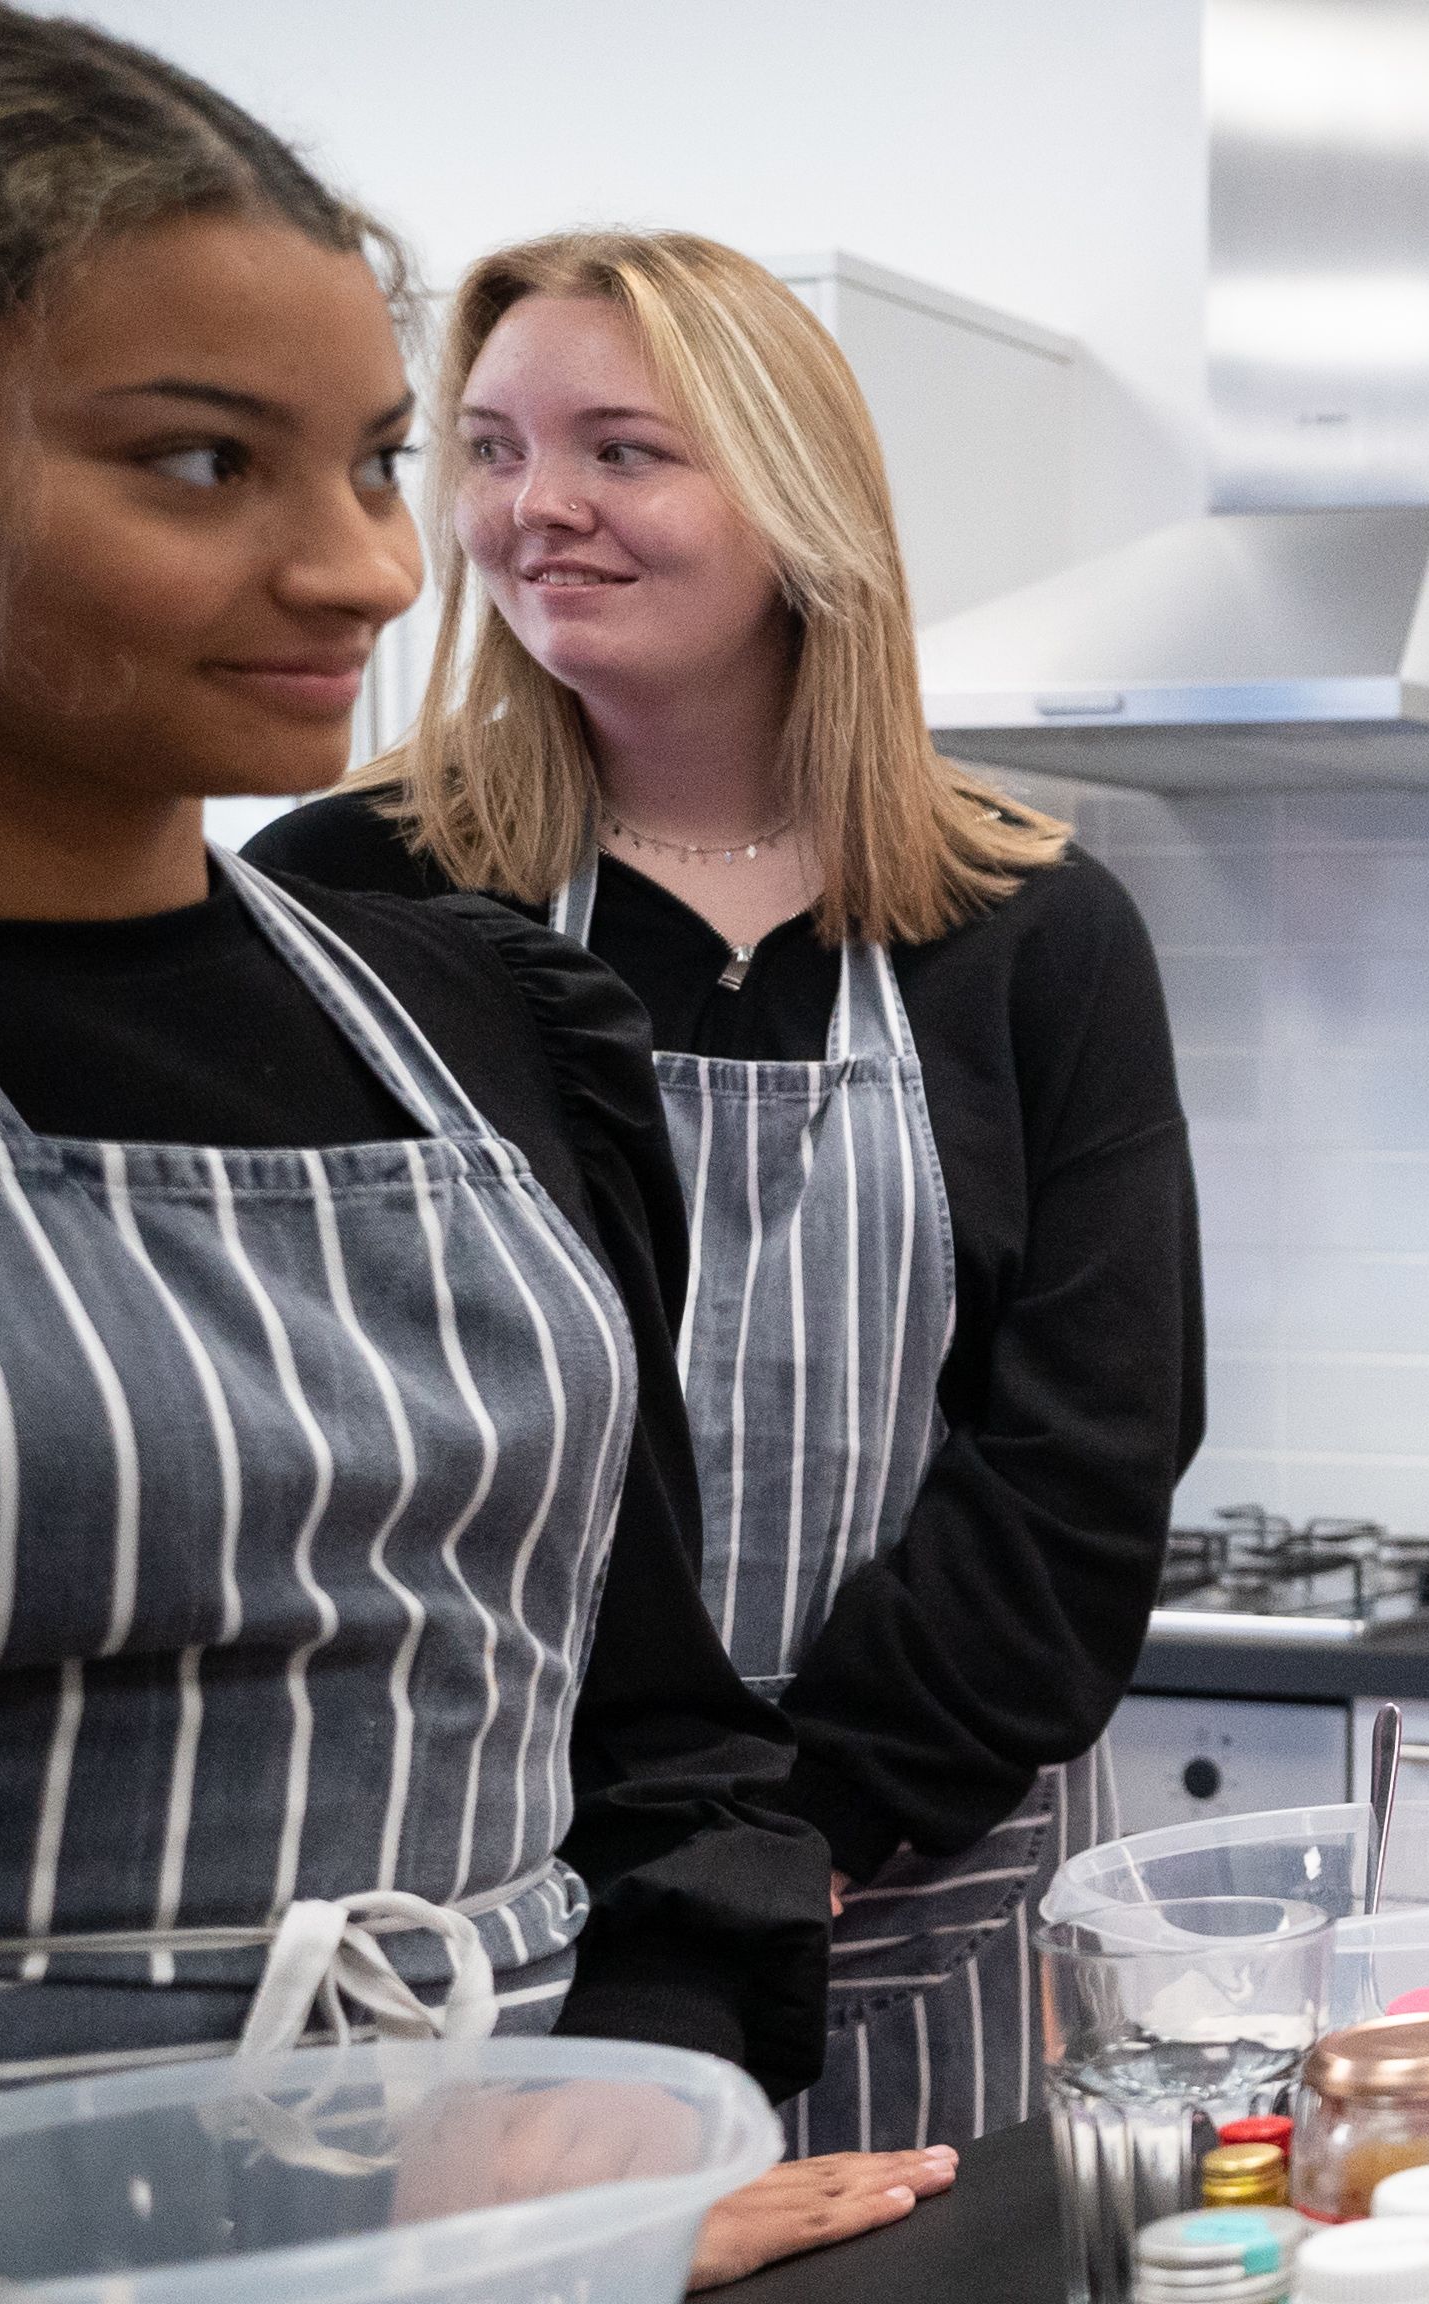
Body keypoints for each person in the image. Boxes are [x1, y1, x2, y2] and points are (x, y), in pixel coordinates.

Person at [0, 6, 883, 2275]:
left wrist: (632, 2101)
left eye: (368, 465)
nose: (371, 572)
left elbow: (653, 1731)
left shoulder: (478, 1029)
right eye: (196, 465)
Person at [252, 230, 1206, 2158]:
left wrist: (810, 1827)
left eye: (624, 449)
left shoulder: (1030, 927)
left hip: (922, 1869)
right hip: (500, 1883)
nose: (538, 511)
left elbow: (1086, 1447)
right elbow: (323, 1428)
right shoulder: (350, 892)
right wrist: (657, 1848)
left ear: (797, 499)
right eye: (493, 447)